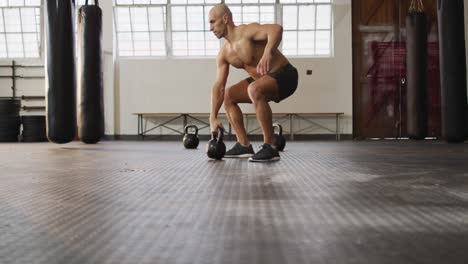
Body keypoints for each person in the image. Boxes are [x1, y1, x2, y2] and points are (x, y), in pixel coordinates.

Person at [208, 3, 298, 162]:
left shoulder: (245, 32)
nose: (211, 28)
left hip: (286, 75)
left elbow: (276, 29)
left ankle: (270, 147)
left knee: (254, 89)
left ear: (225, 18)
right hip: (262, 81)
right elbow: (219, 86)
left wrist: (268, 52)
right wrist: (212, 117)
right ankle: (243, 145)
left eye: (212, 22)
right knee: (229, 95)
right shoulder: (224, 53)